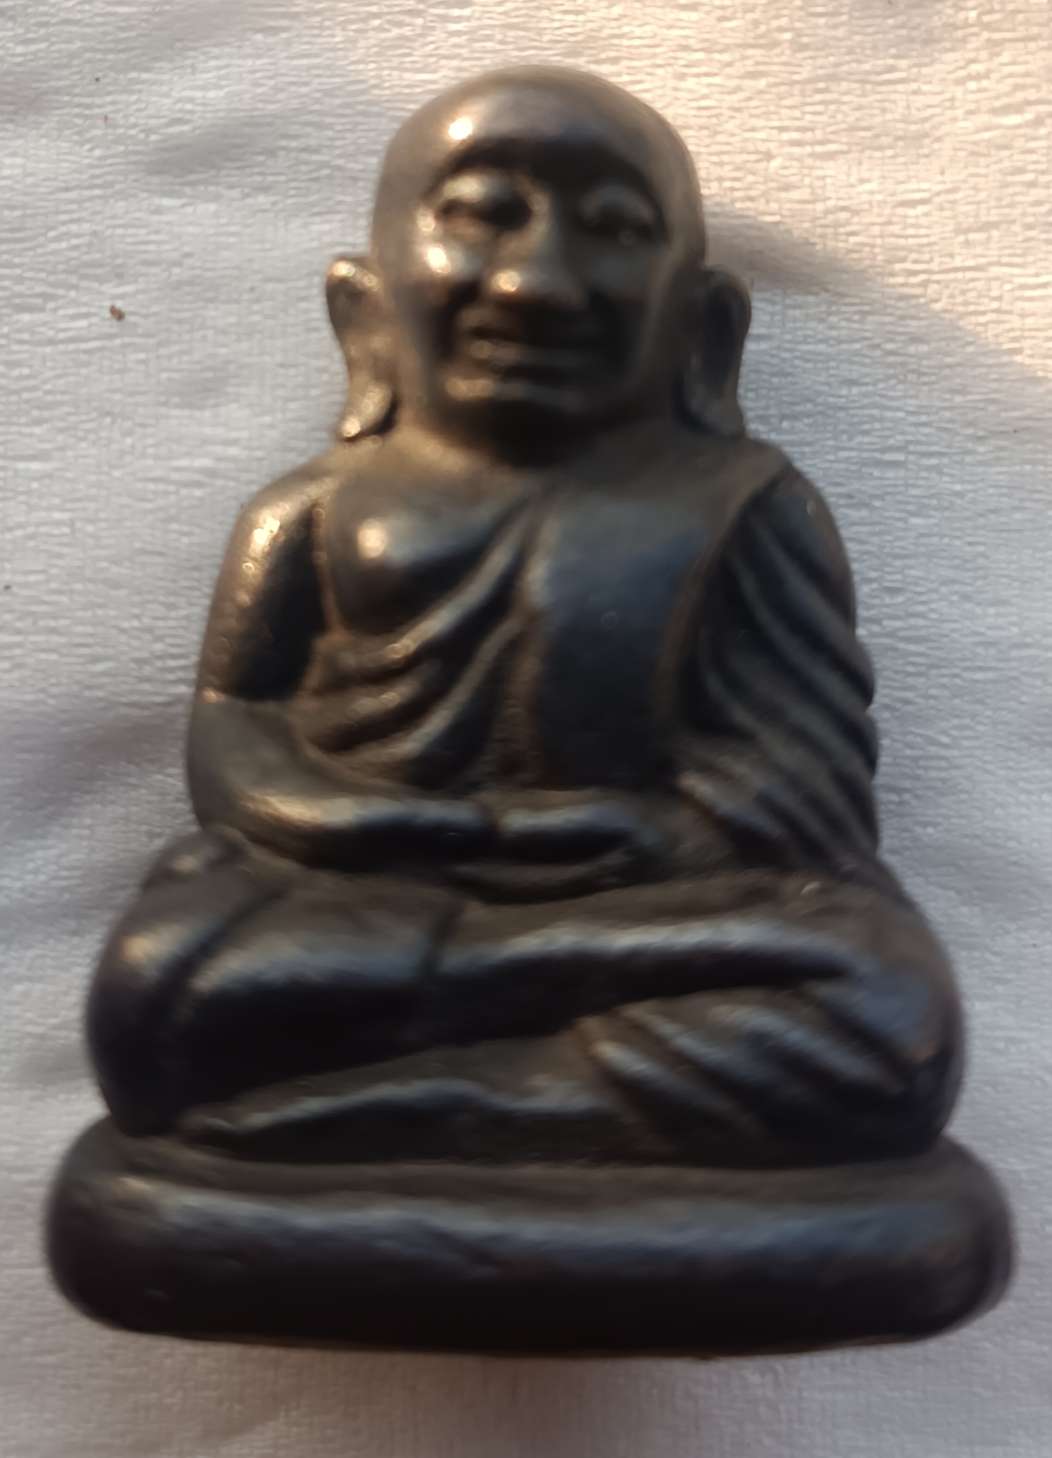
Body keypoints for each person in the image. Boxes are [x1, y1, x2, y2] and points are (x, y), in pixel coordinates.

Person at [87, 66, 961, 1170]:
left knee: (886, 1002)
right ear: (363, 307)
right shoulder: (309, 515)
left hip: (639, 911)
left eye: (614, 228)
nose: (536, 284)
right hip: (364, 898)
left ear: (702, 326)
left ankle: (429, 1098)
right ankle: (509, 1077)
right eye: (479, 215)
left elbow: (810, 786)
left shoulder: (745, 508)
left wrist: (667, 838)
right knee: (158, 979)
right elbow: (234, 722)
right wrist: (384, 828)